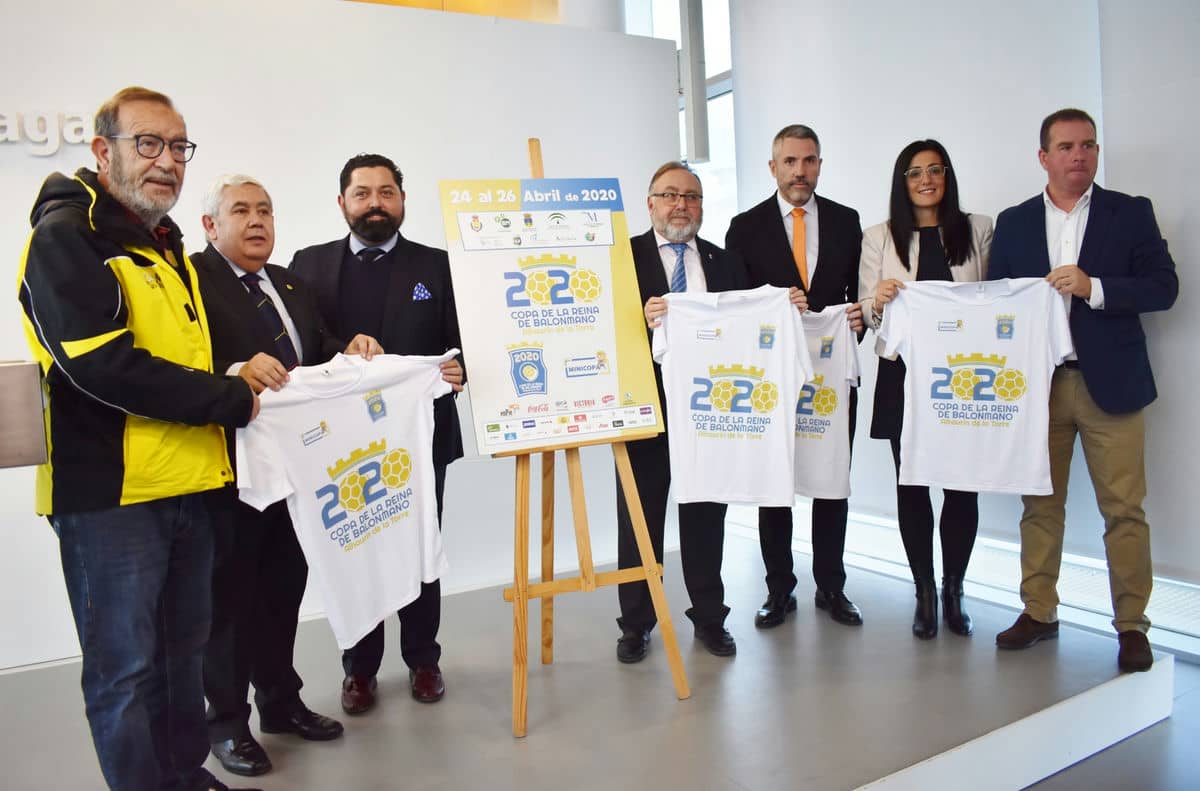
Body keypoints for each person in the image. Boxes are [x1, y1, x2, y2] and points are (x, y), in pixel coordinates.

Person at [16, 87, 259, 791]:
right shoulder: (65, 238)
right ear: (102, 152)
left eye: (178, 146)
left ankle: (183, 774)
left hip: (188, 484)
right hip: (111, 501)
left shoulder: (162, 243)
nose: (166, 161)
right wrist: (228, 397)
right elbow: (103, 364)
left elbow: (174, 357)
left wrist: (235, 374)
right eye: (147, 143)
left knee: (184, 656)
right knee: (124, 670)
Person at [193, 174, 382, 776]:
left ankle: (279, 702)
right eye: (241, 211)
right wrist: (232, 368)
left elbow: (320, 349)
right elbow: (179, 361)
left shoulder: (293, 283)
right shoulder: (191, 282)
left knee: (282, 592)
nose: (257, 221)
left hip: (298, 468)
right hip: (229, 470)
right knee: (229, 604)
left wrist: (348, 348)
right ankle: (226, 724)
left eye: (266, 210)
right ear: (210, 226)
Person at [989, 108, 1178, 672]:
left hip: (1111, 387)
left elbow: (1164, 287)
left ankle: (1131, 626)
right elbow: (998, 299)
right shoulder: (1016, 221)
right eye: (1067, 147)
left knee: (1124, 511)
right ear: (1043, 157)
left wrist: (1094, 287)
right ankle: (1039, 612)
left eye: (1088, 146)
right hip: (1039, 388)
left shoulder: (1131, 212)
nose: (1080, 156)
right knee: (1039, 506)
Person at [290, 153, 464, 711]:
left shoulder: (438, 265)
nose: (375, 204)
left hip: (419, 436)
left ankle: (423, 660)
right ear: (342, 203)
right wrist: (340, 355)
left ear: (403, 201)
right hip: (341, 447)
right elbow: (299, 351)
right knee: (356, 545)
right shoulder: (307, 266)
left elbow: (465, 342)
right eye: (362, 194)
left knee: (419, 545)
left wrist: (461, 371)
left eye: (386, 193)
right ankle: (359, 671)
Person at [725, 124, 866, 630]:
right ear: (773, 167)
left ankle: (832, 585)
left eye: (808, 161)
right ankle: (778, 588)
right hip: (774, 377)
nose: (799, 171)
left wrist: (857, 323)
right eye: (789, 161)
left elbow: (861, 298)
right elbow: (738, 306)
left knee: (832, 480)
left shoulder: (849, 223)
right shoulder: (744, 227)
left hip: (832, 372)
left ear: (820, 165)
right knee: (775, 481)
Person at [858, 140, 993, 639]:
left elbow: (996, 296)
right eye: (915, 173)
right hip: (903, 373)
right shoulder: (879, 237)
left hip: (963, 373)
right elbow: (870, 318)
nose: (926, 180)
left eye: (935, 170)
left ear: (947, 176)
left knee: (962, 482)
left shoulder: (978, 229)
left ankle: (955, 591)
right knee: (911, 482)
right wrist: (880, 300)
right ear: (903, 181)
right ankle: (923, 592)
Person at [616, 161, 748, 663]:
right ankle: (636, 624)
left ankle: (710, 618)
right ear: (650, 203)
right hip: (643, 408)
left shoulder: (725, 261)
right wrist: (638, 319)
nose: (681, 205)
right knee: (640, 519)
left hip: (710, 410)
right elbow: (597, 329)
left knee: (706, 515)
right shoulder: (620, 259)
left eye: (691, 197)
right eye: (669, 195)